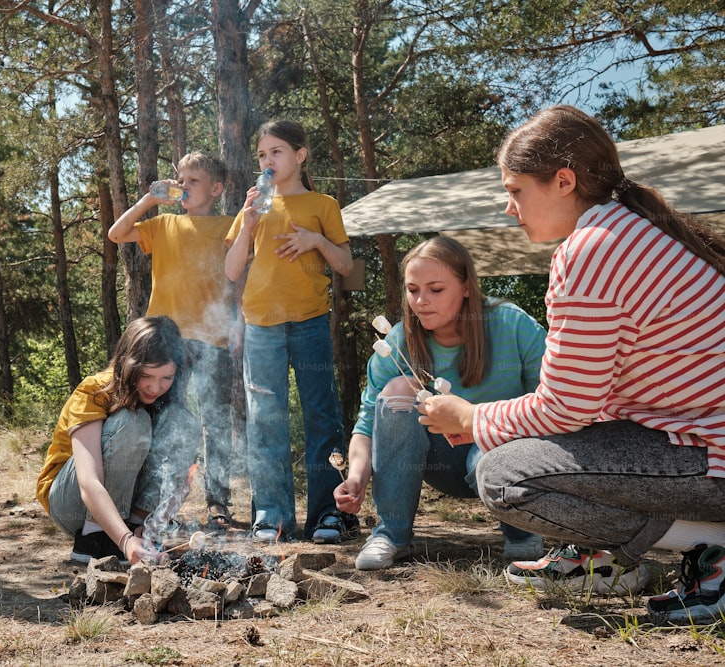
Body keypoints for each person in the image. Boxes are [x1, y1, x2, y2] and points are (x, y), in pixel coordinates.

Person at [418, 105, 725, 623]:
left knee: (504, 475)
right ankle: (604, 556)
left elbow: (566, 406)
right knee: (528, 446)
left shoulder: (591, 249)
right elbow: (594, 398)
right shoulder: (630, 230)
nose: (508, 207)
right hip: (696, 443)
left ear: (563, 181)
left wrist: (471, 420)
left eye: (515, 190)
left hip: (709, 455)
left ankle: (711, 543)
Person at [334, 237, 547, 570]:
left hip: (502, 454)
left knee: (502, 443)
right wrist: (357, 477)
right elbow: (366, 425)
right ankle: (390, 533)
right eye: (412, 289)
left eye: (435, 289)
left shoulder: (512, 324)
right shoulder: (397, 345)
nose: (421, 301)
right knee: (397, 389)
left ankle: (523, 534)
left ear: (465, 286)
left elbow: (551, 401)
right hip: (436, 459)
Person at [225, 119, 357, 544]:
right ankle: (272, 516)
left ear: (300, 155)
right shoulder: (254, 209)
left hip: (310, 322)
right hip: (260, 324)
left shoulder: (323, 204)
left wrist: (315, 240)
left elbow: (346, 265)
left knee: (322, 415)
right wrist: (247, 224)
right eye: (262, 155)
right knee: (265, 421)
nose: (268, 161)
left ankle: (328, 515)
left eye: (276, 152)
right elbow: (231, 270)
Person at [108, 152, 238, 533]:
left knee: (216, 422)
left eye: (192, 181)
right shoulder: (163, 223)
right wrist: (150, 199)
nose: (183, 186)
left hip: (214, 338)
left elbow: (241, 278)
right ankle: (160, 502)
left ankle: (218, 504)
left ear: (216, 189)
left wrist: (239, 324)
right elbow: (117, 234)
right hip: (168, 341)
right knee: (168, 420)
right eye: (180, 179)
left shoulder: (231, 226)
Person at [36, 316, 201, 565]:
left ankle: (136, 526)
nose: (155, 387)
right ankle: (94, 539)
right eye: (146, 375)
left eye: (166, 378)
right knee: (133, 420)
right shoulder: (94, 391)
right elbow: (88, 481)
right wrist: (124, 540)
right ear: (127, 365)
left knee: (185, 423)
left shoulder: (168, 404)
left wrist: (152, 526)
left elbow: (182, 480)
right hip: (73, 506)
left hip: (126, 509)